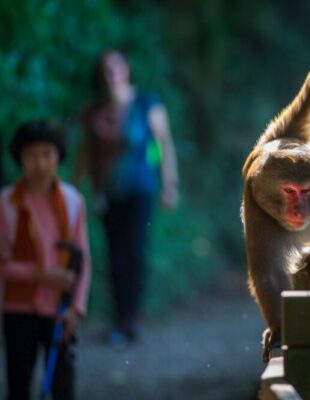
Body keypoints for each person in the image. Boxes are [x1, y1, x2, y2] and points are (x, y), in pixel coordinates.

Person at [74, 49, 179, 345]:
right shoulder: (93, 111)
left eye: (117, 67)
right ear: (100, 75)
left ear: (127, 70)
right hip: (106, 193)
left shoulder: (147, 103)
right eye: (106, 69)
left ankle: (130, 317)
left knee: (134, 251)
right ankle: (120, 319)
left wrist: (168, 182)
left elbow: (163, 143)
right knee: (114, 254)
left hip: (141, 189)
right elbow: (85, 153)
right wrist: (71, 189)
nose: (112, 74)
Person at [0, 120, 92, 400]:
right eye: (31, 155)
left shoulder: (73, 201)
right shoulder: (6, 204)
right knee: (19, 383)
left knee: (62, 387)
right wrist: (42, 275)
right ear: (20, 158)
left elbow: (83, 259)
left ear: (58, 157)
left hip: (59, 309)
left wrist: (76, 308)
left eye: (47, 154)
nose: (39, 163)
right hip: (18, 309)